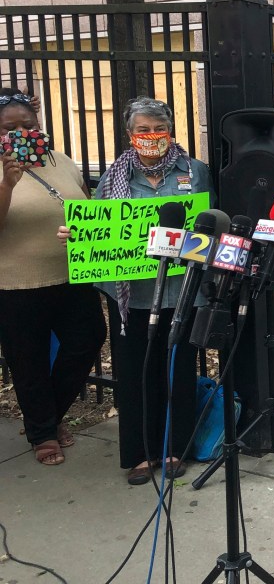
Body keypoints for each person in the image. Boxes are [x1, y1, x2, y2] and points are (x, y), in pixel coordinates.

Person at [92, 97, 213, 485]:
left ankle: (176, 446)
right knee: (136, 373)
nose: (151, 136)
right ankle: (141, 452)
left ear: (170, 131)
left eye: (158, 128)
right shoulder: (113, 178)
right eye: (142, 130)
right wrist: (78, 236)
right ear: (130, 136)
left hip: (180, 291)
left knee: (178, 368)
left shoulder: (195, 171)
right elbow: (99, 229)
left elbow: (209, 224)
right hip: (134, 296)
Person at [0, 88, 106, 466]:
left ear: (39, 126)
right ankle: (43, 432)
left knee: (89, 338)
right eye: (8, 128)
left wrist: (84, 230)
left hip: (70, 275)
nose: (19, 133)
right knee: (27, 360)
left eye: (27, 125)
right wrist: (7, 185)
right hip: (15, 284)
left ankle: (48, 417)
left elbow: (88, 210)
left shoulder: (62, 161)